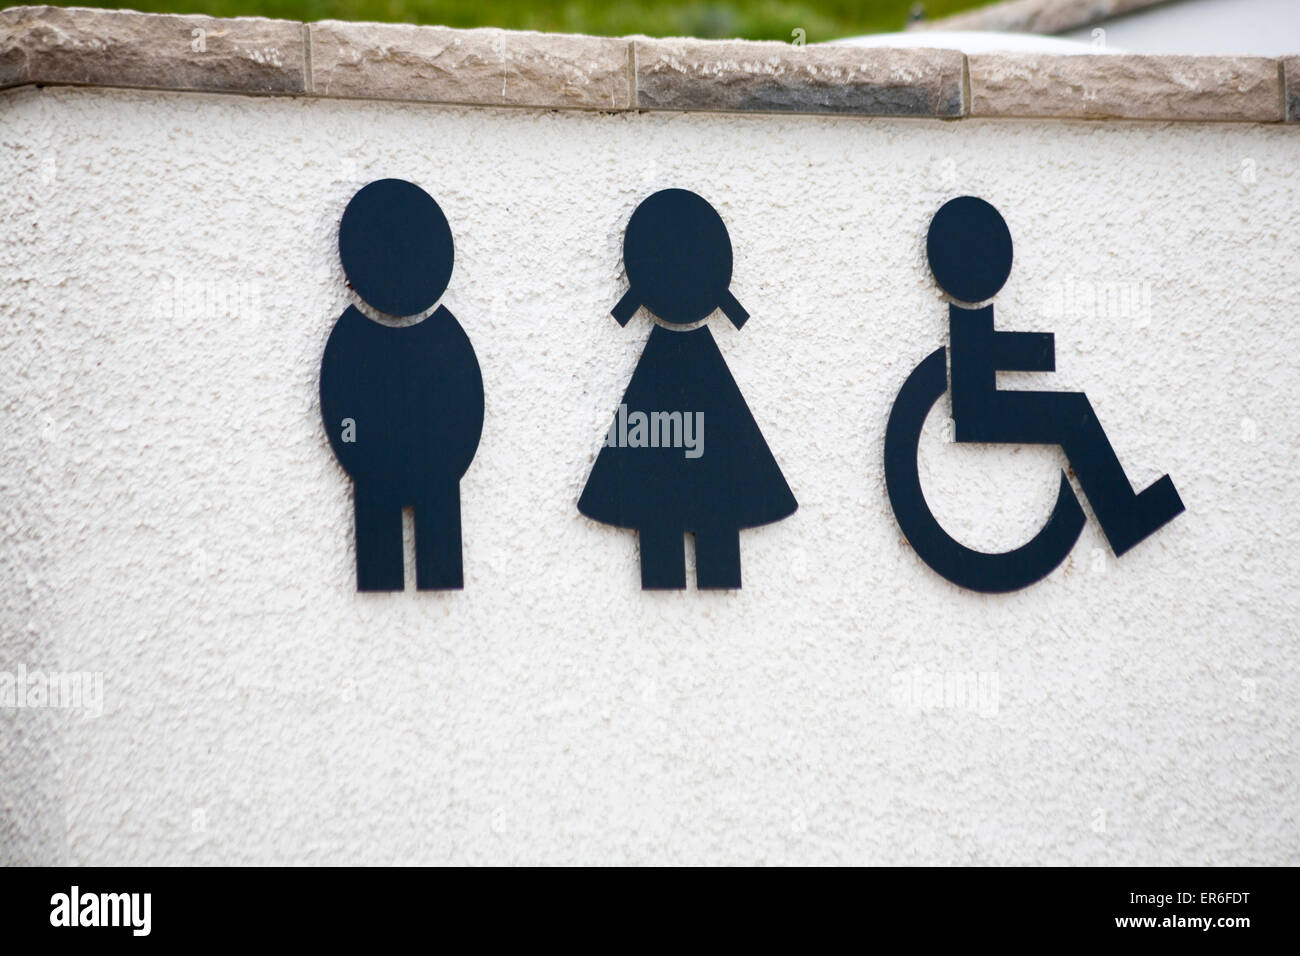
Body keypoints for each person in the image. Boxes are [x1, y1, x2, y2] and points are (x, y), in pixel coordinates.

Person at [929, 196, 1184, 557]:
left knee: (1068, 415)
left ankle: (1127, 516)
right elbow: (980, 409)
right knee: (1068, 416)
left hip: (980, 371)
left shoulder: (972, 326)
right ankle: (1126, 516)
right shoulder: (970, 336)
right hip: (979, 380)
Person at [579, 189, 797, 589]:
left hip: (675, 372)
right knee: (679, 508)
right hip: (684, 371)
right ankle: (685, 569)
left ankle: (702, 569)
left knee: (681, 506)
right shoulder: (684, 365)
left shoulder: (667, 365)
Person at [320, 179, 484, 591]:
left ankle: (438, 571)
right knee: (380, 552)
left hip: (437, 471)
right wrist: (355, 450)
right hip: (378, 472)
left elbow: (465, 407)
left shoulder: (443, 335)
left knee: (440, 549)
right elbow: (343, 410)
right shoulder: (354, 337)